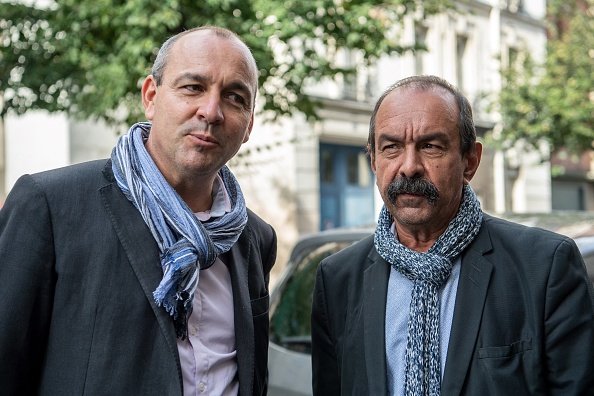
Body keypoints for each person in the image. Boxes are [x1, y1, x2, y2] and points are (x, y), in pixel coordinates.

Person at [0, 26, 277, 395]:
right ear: (151, 96)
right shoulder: (50, 206)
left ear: (248, 126)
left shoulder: (255, 239)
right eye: (192, 87)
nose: (211, 111)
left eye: (235, 97)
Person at [311, 75, 594, 395]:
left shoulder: (544, 267)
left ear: (470, 161)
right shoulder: (337, 279)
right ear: (374, 160)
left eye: (430, 146)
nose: (408, 167)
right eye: (391, 147)